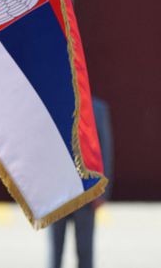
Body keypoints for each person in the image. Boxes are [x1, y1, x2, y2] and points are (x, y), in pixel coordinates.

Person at [47, 96, 113, 268]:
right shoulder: (52, 105)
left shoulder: (97, 109)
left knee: (85, 252)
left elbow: (105, 151)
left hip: (86, 193)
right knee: (55, 253)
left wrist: (102, 192)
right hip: (58, 193)